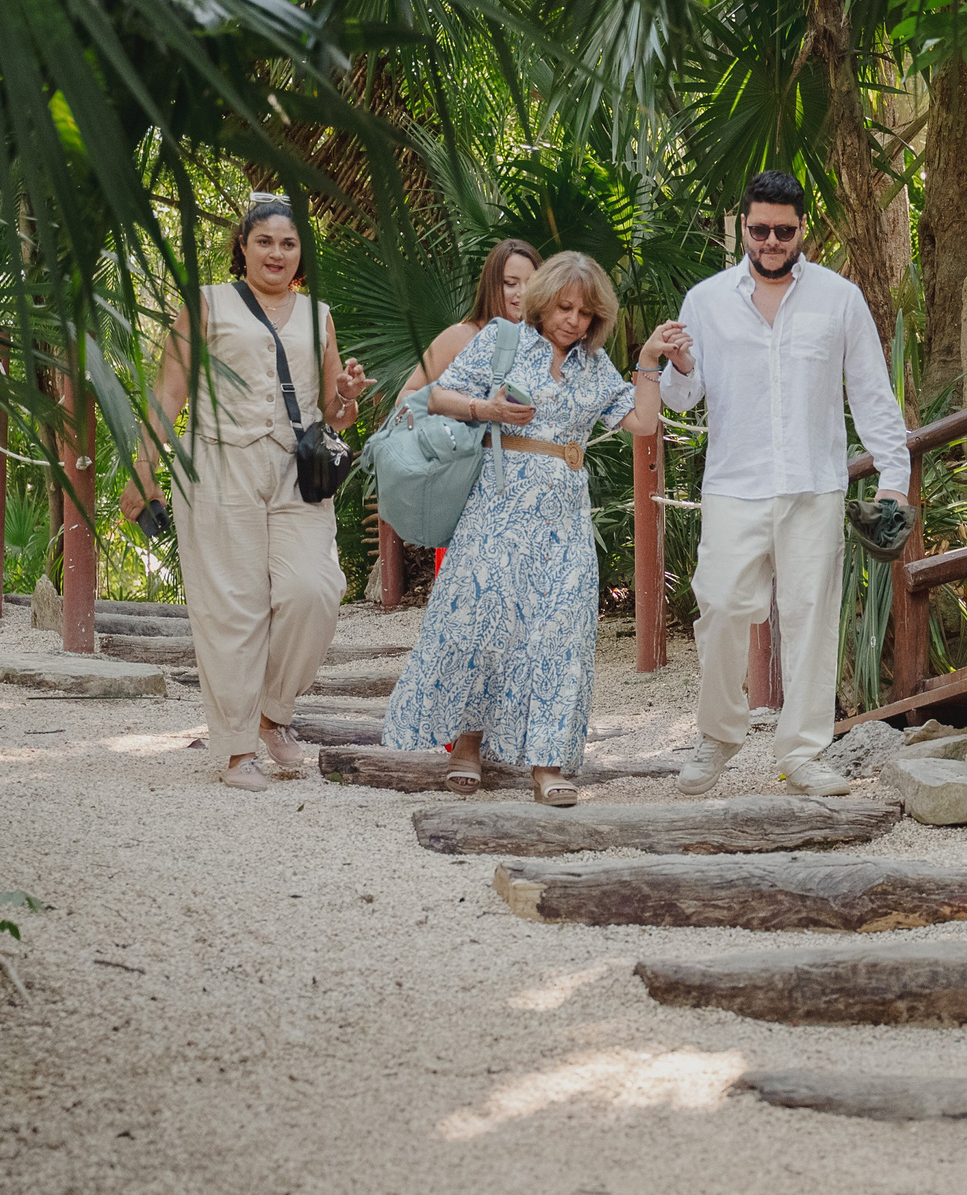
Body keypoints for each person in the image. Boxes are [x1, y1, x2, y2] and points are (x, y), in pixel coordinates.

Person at [380, 251, 679, 805]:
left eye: (586, 313)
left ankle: (547, 765)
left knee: (561, 633)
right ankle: (467, 746)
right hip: (498, 503)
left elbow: (640, 422)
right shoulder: (502, 339)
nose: (574, 320)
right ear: (543, 302)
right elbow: (428, 396)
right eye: (565, 307)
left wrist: (647, 362)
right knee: (484, 623)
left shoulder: (596, 365)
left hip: (565, 514)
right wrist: (485, 409)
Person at [660, 169, 911, 797]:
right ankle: (717, 738)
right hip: (733, 485)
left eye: (783, 231)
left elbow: (872, 395)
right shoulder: (706, 299)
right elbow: (683, 399)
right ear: (743, 226)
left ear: (804, 230)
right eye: (759, 230)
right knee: (718, 607)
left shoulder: (841, 298)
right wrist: (682, 366)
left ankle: (803, 754)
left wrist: (894, 477)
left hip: (812, 485)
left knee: (812, 619)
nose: (771, 241)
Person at [121, 195, 370, 792]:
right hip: (217, 462)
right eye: (265, 242)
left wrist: (349, 395)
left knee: (315, 589)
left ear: (300, 253)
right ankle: (237, 751)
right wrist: (143, 469)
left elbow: (334, 417)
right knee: (231, 606)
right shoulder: (204, 303)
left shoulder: (319, 315)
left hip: (297, 468)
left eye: (288, 243)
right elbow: (169, 394)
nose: (277, 253)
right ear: (244, 248)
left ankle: (273, 712)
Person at [400, 238, 539, 579]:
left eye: (531, 283)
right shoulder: (462, 336)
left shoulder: (548, 344)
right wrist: (471, 412)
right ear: (493, 285)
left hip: (531, 493)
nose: (521, 292)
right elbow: (409, 398)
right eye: (510, 283)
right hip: (467, 486)